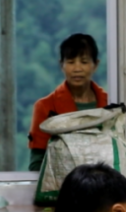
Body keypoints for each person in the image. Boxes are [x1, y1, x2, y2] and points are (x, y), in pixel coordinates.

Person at [26, 34, 108, 171]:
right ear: (61, 65)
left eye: (84, 62)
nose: (77, 68)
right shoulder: (45, 107)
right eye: (71, 62)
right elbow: (36, 163)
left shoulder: (110, 104)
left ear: (95, 65)